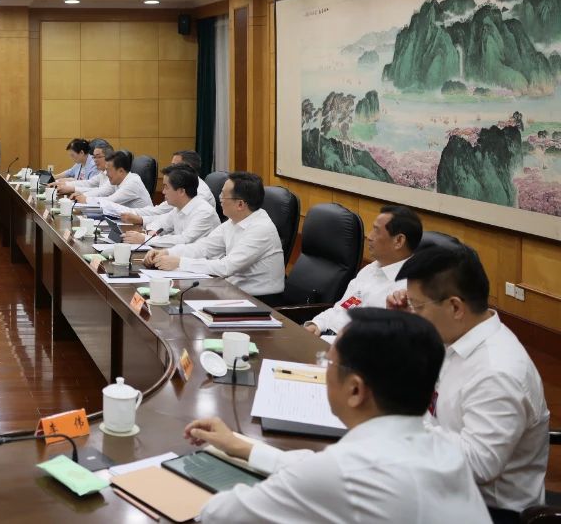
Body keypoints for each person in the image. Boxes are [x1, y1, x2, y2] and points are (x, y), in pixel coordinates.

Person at [185, 308, 490, 524]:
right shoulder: (445, 446)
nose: (322, 371)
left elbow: (218, 514)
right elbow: (316, 471)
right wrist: (243, 447)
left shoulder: (346, 471)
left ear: (356, 390)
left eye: (328, 363)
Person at [393, 244, 549, 519]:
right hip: (440, 480)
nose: (413, 313)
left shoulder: (497, 372)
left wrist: (401, 422)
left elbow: (479, 466)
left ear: (455, 307)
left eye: (417, 306)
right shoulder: (458, 336)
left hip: (488, 510)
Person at [144, 171, 284, 297]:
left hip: (260, 300)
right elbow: (203, 247)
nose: (220, 199)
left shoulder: (261, 229)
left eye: (223, 196)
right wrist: (167, 252)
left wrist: (180, 262)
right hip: (232, 290)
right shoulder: (233, 221)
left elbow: (226, 267)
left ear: (240, 204)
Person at [304, 205, 421, 338]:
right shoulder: (371, 269)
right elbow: (343, 307)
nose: (369, 237)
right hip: (325, 336)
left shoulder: (409, 291)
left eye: (376, 231)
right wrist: (317, 324)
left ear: (399, 241)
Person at [122, 165, 218, 247]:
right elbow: (159, 223)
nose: (163, 192)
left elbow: (184, 240)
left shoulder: (204, 212)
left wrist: (145, 239)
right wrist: (151, 232)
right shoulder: (179, 208)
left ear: (181, 191)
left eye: (166, 187)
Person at [118, 150, 216, 224]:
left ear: (188, 168)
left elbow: (184, 237)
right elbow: (162, 214)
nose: (171, 169)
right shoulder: (180, 187)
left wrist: (140, 220)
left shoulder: (200, 194)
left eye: (174, 165)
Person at [73, 149, 151, 209]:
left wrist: (86, 199)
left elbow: (109, 201)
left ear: (121, 171)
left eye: (108, 170)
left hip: (144, 224)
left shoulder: (132, 183)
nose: (106, 174)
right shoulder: (117, 180)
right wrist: (82, 196)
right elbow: (101, 191)